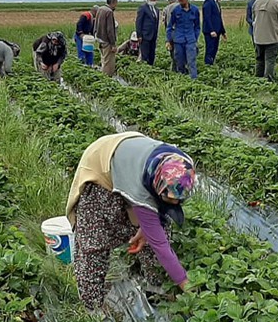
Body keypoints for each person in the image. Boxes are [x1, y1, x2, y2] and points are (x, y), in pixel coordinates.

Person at [65, 131, 195, 312]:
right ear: (156, 186)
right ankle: (92, 306)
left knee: (157, 232)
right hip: (103, 164)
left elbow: (160, 213)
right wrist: (186, 285)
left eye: (177, 201)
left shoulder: (183, 168)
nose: (174, 203)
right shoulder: (139, 188)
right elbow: (161, 247)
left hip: (133, 155)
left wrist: (147, 228)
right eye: (168, 198)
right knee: (95, 242)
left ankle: (157, 289)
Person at [166, 0, 201, 79]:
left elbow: (197, 26)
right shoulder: (176, 10)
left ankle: (194, 80)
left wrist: (195, 37)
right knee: (179, 61)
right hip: (178, 40)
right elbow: (169, 26)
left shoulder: (195, 10)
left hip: (190, 40)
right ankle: (182, 78)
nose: (180, 2)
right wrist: (169, 40)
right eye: (179, 1)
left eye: (182, 1)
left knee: (191, 61)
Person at [202, 0, 227, 65]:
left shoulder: (217, 3)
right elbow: (207, 17)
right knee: (210, 49)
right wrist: (211, 30)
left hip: (217, 31)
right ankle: (208, 65)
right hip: (210, 32)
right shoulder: (208, 2)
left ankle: (212, 63)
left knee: (215, 49)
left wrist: (223, 31)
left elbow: (219, 18)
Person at [95, 0, 119, 77]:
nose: (116, 5)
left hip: (100, 38)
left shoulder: (101, 9)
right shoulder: (109, 12)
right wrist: (113, 44)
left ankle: (104, 76)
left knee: (104, 60)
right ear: (112, 2)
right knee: (109, 63)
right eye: (116, 3)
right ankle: (106, 78)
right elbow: (110, 30)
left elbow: (96, 24)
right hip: (107, 41)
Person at [136, 0, 160, 66]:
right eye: (151, 0)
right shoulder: (143, 8)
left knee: (152, 54)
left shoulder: (156, 10)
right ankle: (145, 68)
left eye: (154, 0)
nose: (152, 2)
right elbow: (138, 22)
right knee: (145, 55)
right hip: (145, 35)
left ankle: (151, 67)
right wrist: (139, 35)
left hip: (153, 36)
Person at [162, 0, 180, 71]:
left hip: (171, 33)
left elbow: (164, 21)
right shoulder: (180, 6)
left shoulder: (166, 8)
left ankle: (174, 69)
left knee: (172, 51)